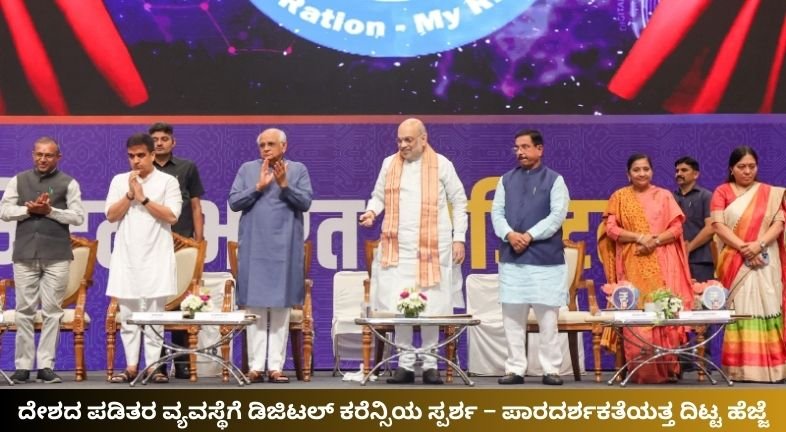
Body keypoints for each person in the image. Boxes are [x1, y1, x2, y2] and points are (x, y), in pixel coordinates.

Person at [359, 118, 467, 385]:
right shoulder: (389, 164)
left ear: (423, 139)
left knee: (431, 306)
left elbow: (459, 200)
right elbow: (379, 196)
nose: (403, 145)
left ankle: (430, 364)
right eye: (399, 140)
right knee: (401, 305)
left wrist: (459, 238)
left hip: (434, 247)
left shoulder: (442, 164)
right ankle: (404, 364)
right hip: (399, 247)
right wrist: (372, 211)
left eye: (408, 140)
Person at [598, 153, 694, 384]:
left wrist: (655, 241)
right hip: (632, 261)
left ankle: (667, 367)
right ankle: (641, 369)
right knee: (637, 310)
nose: (641, 173)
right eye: (636, 170)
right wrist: (639, 237)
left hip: (663, 261)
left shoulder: (664, 195)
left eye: (645, 169)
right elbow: (611, 229)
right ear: (628, 174)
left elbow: (677, 229)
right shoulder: (619, 197)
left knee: (663, 308)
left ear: (652, 171)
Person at [229, 128, 312, 384]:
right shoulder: (247, 169)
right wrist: (258, 187)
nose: (266, 148)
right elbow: (234, 202)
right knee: (254, 306)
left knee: (280, 307)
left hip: (284, 247)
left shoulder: (297, 170)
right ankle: (255, 367)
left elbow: (305, 202)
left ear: (284, 146)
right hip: (255, 246)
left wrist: (285, 185)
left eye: (271, 144)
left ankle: (276, 366)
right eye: (262, 145)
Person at [0, 137, 85, 384]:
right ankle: (23, 367)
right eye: (39, 154)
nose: (43, 159)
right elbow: (4, 211)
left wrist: (50, 211)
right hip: (25, 254)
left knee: (52, 312)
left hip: (57, 256)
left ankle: (46, 366)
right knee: (24, 312)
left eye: (48, 155)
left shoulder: (68, 183)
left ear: (58, 157)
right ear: (33, 155)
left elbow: (78, 217)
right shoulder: (19, 180)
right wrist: (28, 210)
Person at [490, 129, 570, 386]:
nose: (520, 152)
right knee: (512, 319)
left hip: (545, 259)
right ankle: (515, 369)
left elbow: (557, 216)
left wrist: (529, 236)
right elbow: (496, 213)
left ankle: (551, 369)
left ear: (539, 149)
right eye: (517, 148)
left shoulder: (555, 180)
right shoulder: (505, 180)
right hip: (512, 258)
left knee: (548, 320)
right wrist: (510, 235)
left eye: (525, 147)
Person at [105, 133, 182, 384]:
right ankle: (130, 367)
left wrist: (143, 198)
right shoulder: (119, 180)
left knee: (154, 316)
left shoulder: (167, 181)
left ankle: (153, 367)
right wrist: (129, 195)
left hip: (156, 255)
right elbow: (111, 216)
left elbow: (172, 216)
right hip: (127, 256)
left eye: (141, 155)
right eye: (131, 156)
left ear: (152, 155)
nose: (136, 160)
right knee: (128, 316)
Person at [710, 146, 786, 382]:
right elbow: (718, 225)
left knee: (769, 304)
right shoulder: (722, 191)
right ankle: (740, 369)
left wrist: (759, 245)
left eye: (752, 166)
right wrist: (745, 247)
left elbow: (779, 223)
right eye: (741, 167)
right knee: (741, 310)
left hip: (766, 258)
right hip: (736, 259)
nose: (747, 171)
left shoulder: (770, 193)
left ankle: (774, 369)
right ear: (731, 169)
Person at [150, 121, 205, 379]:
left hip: (183, 242)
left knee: (183, 300)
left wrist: (199, 242)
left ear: (173, 142)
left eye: (164, 139)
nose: (159, 143)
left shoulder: (187, 168)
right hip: (153, 243)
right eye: (155, 139)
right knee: (157, 302)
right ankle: (159, 364)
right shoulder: (143, 169)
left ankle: (182, 362)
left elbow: (195, 205)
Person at [674, 156, 715, 282]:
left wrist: (689, 247)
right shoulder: (670, 198)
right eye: (677, 171)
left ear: (695, 174)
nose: (679, 174)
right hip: (675, 259)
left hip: (701, 260)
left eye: (684, 170)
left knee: (701, 293)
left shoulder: (706, 196)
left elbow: (711, 228)